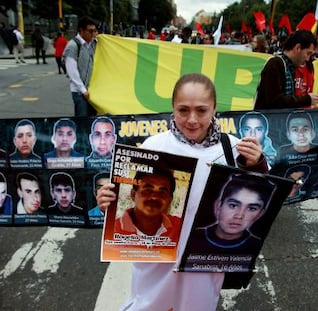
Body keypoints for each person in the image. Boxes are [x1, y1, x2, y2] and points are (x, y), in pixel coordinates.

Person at [96, 73, 267, 310]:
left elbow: (262, 196)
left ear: (215, 109)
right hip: (156, 259)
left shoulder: (235, 148)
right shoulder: (153, 146)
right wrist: (109, 203)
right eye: (183, 110)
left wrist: (257, 164)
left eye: (202, 110)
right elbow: (129, 201)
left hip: (204, 261)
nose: (192, 120)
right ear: (172, 108)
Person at [187, 173, 275, 254]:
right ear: (218, 206)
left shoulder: (255, 246)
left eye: (251, 208)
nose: (239, 215)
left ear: (260, 214)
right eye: (233, 205)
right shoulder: (190, 237)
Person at [254, 30, 318, 109]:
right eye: (308, 53)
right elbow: (275, 101)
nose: (307, 59)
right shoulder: (275, 64)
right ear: (298, 48)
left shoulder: (290, 67)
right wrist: (307, 99)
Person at [114, 167, 180, 243]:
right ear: (133, 194)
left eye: (162, 192)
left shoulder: (180, 227)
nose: (155, 197)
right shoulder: (112, 229)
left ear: (170, 200)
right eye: (148, 190)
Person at [63, 16, 98, 116]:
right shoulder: (73, 46)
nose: (93, 34)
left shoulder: (93, 43)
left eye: (94, 31)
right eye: (90, 31)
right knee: (82, 121)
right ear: (81, 30)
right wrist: (83, 90)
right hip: (79, 92)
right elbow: (72, 71)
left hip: (92, 91)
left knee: (92, 120)